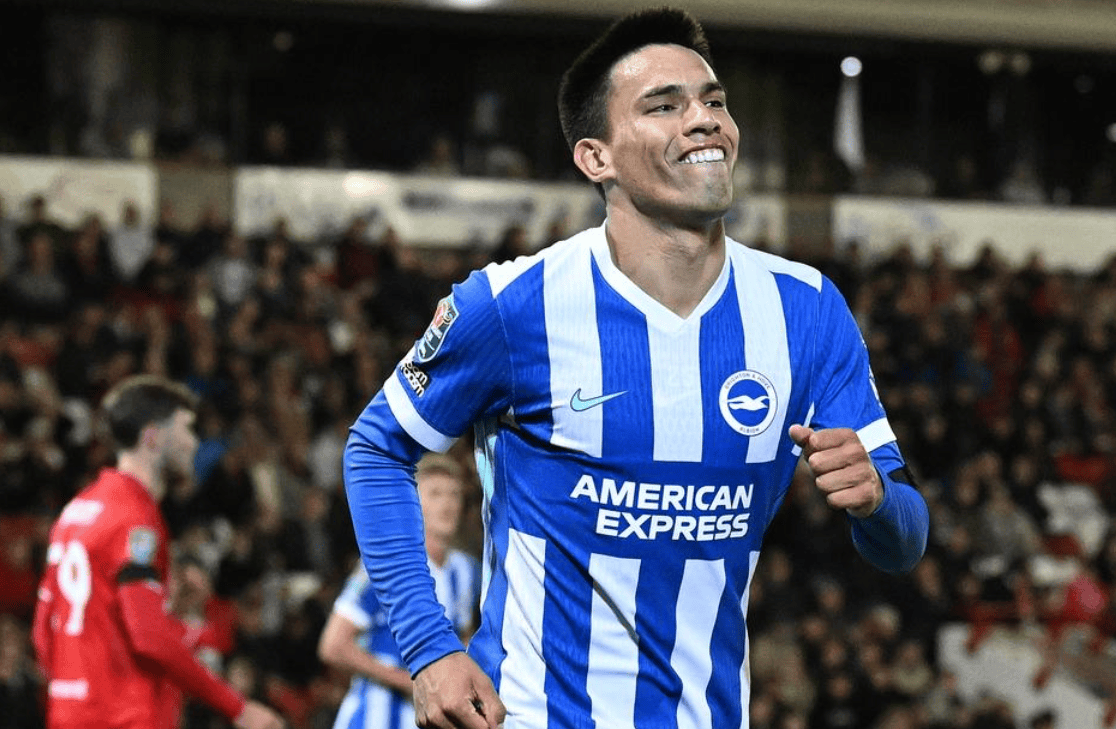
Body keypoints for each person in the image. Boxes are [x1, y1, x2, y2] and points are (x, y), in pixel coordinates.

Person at [342, 8, 929, 729]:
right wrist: (430, 648)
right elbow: (377, 448)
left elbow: (905, 540)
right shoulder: (513, 305)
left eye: (713, 100)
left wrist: (876, 499)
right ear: (597, 158)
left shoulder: (806, 311)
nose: (705, 119)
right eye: (664, 105)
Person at [31, 374, 285, 729]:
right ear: (152, 437)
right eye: (186, 429)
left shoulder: (75, 511)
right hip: (126, 717)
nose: (194, 443)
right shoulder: (135, 518)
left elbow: (43, 631)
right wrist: (238, 708)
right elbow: (148, 635)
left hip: (69, 713)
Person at [320, 454, 479, 729]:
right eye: (435, 493)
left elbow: (462, 638)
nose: (447, 504)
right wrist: (410, 681)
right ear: (412, 502)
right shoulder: (384, 564)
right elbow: (333, 645)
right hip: (375, 718)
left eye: (454, 494)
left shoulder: (466, 570)